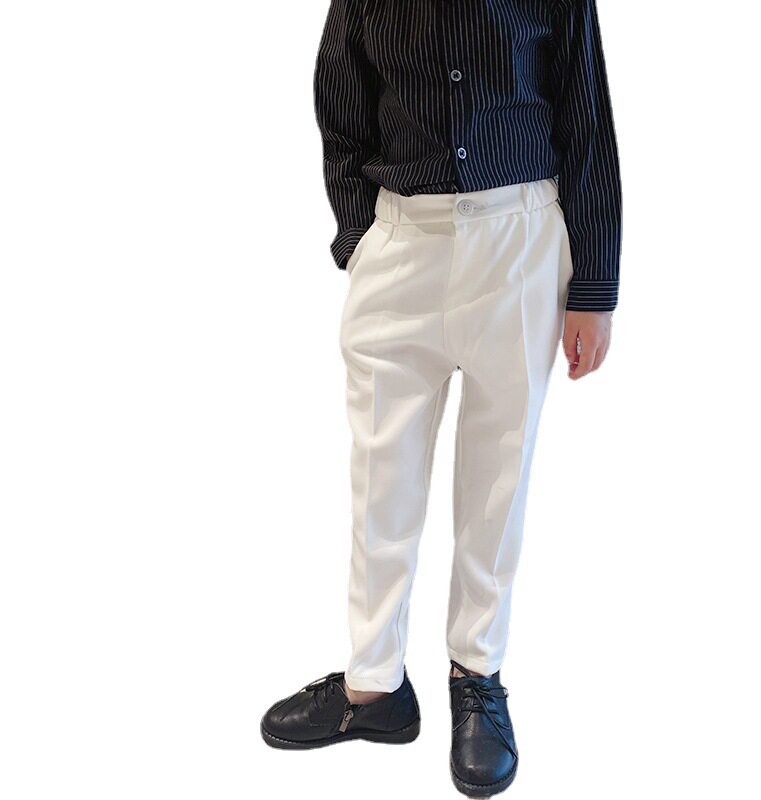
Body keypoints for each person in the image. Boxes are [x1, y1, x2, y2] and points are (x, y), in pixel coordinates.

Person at [261, 1, 622, 796]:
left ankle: (477, 676)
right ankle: (374, 685)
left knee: (498, 475)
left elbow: (586, 118)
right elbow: (340, 104)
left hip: (518, 242)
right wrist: (360, 239)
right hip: (402, 244)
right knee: (380, 476)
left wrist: (594, 285)